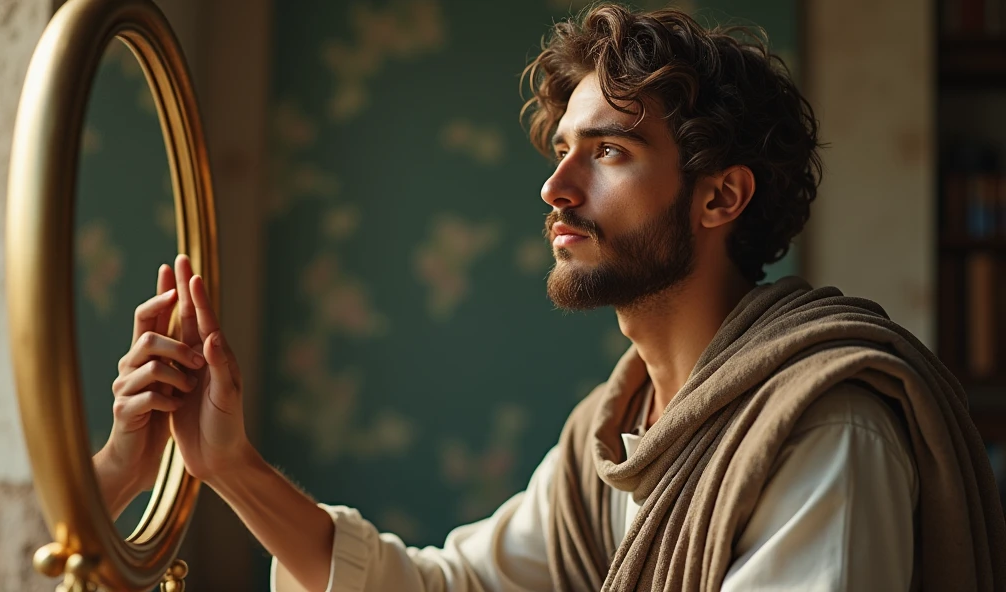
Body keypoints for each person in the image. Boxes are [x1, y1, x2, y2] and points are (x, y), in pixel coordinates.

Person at [94, 4, 1006, 591]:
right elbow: (444, 588)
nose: (555, 189)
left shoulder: (821, 427)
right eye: (561, 151)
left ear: (720, 197)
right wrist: (230, 467)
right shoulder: (609, 436)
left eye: (608, 152)